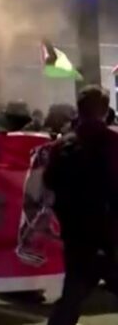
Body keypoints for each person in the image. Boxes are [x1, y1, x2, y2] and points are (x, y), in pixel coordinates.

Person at [43, 85, 118, 325]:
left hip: (77, 233)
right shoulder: (113, 142)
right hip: (110, 233)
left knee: (72, 296)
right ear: (105, 111)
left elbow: (50, 182)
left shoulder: (63, 146)